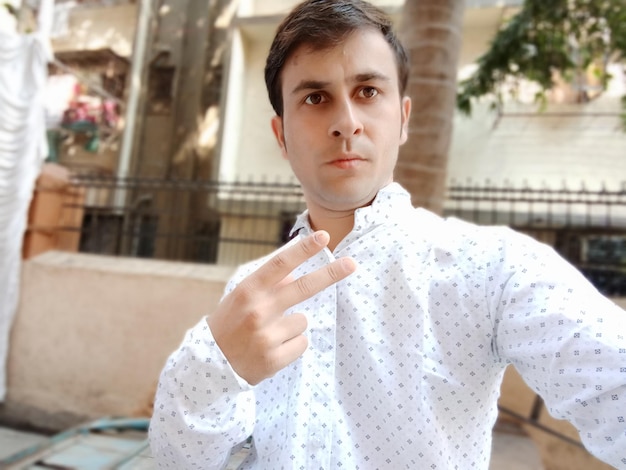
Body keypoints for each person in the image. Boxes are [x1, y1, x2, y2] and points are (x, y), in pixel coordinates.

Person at [148, 0, 626, 468]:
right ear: (281, 136)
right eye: (316, 98)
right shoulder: (250, 296)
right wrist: (214, 367)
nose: (346, 123)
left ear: (403, 118)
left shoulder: (490, 269)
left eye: (368, 92)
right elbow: (180, 461)